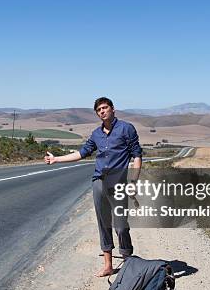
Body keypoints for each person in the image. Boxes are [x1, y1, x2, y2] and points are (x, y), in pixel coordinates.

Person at [45, 97, 142, 277]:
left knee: (121, 226)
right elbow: (82, 153)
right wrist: (56, 159)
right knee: (103, 224)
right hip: (99, 182)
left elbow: (137, 156)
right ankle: (108, 265)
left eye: (105, 108)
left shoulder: (126, 128)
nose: (102, 111)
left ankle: (128, 262)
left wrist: (134, 181)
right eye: (99, 110)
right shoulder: (96, 134)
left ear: (113, 109)